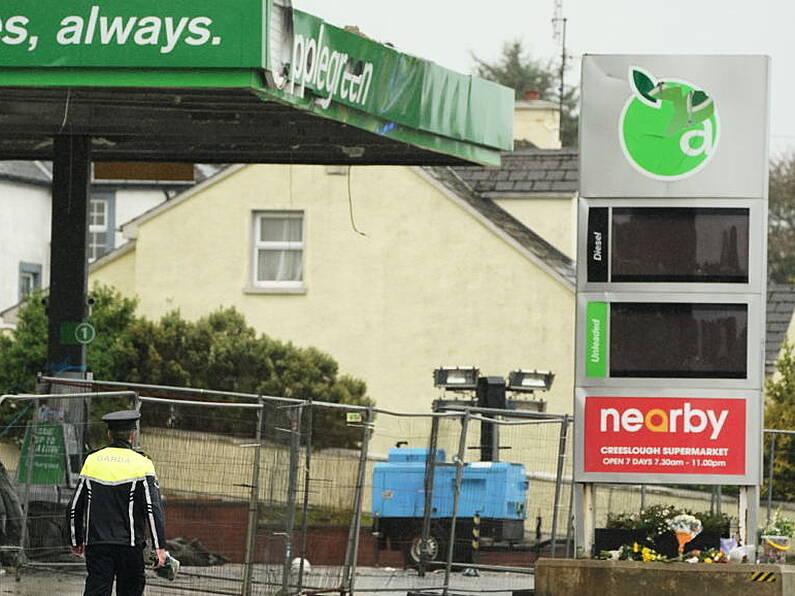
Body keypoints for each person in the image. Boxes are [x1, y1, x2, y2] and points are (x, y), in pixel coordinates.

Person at [67, 410, 167, 596]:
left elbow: (74, 506)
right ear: (133, 434)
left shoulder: (92, 460)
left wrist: (76, 540)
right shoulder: (142, 464)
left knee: (96, 590)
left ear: (109, 434)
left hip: (97, 544)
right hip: (129, 545)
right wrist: (159, 546)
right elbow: (152, 509)